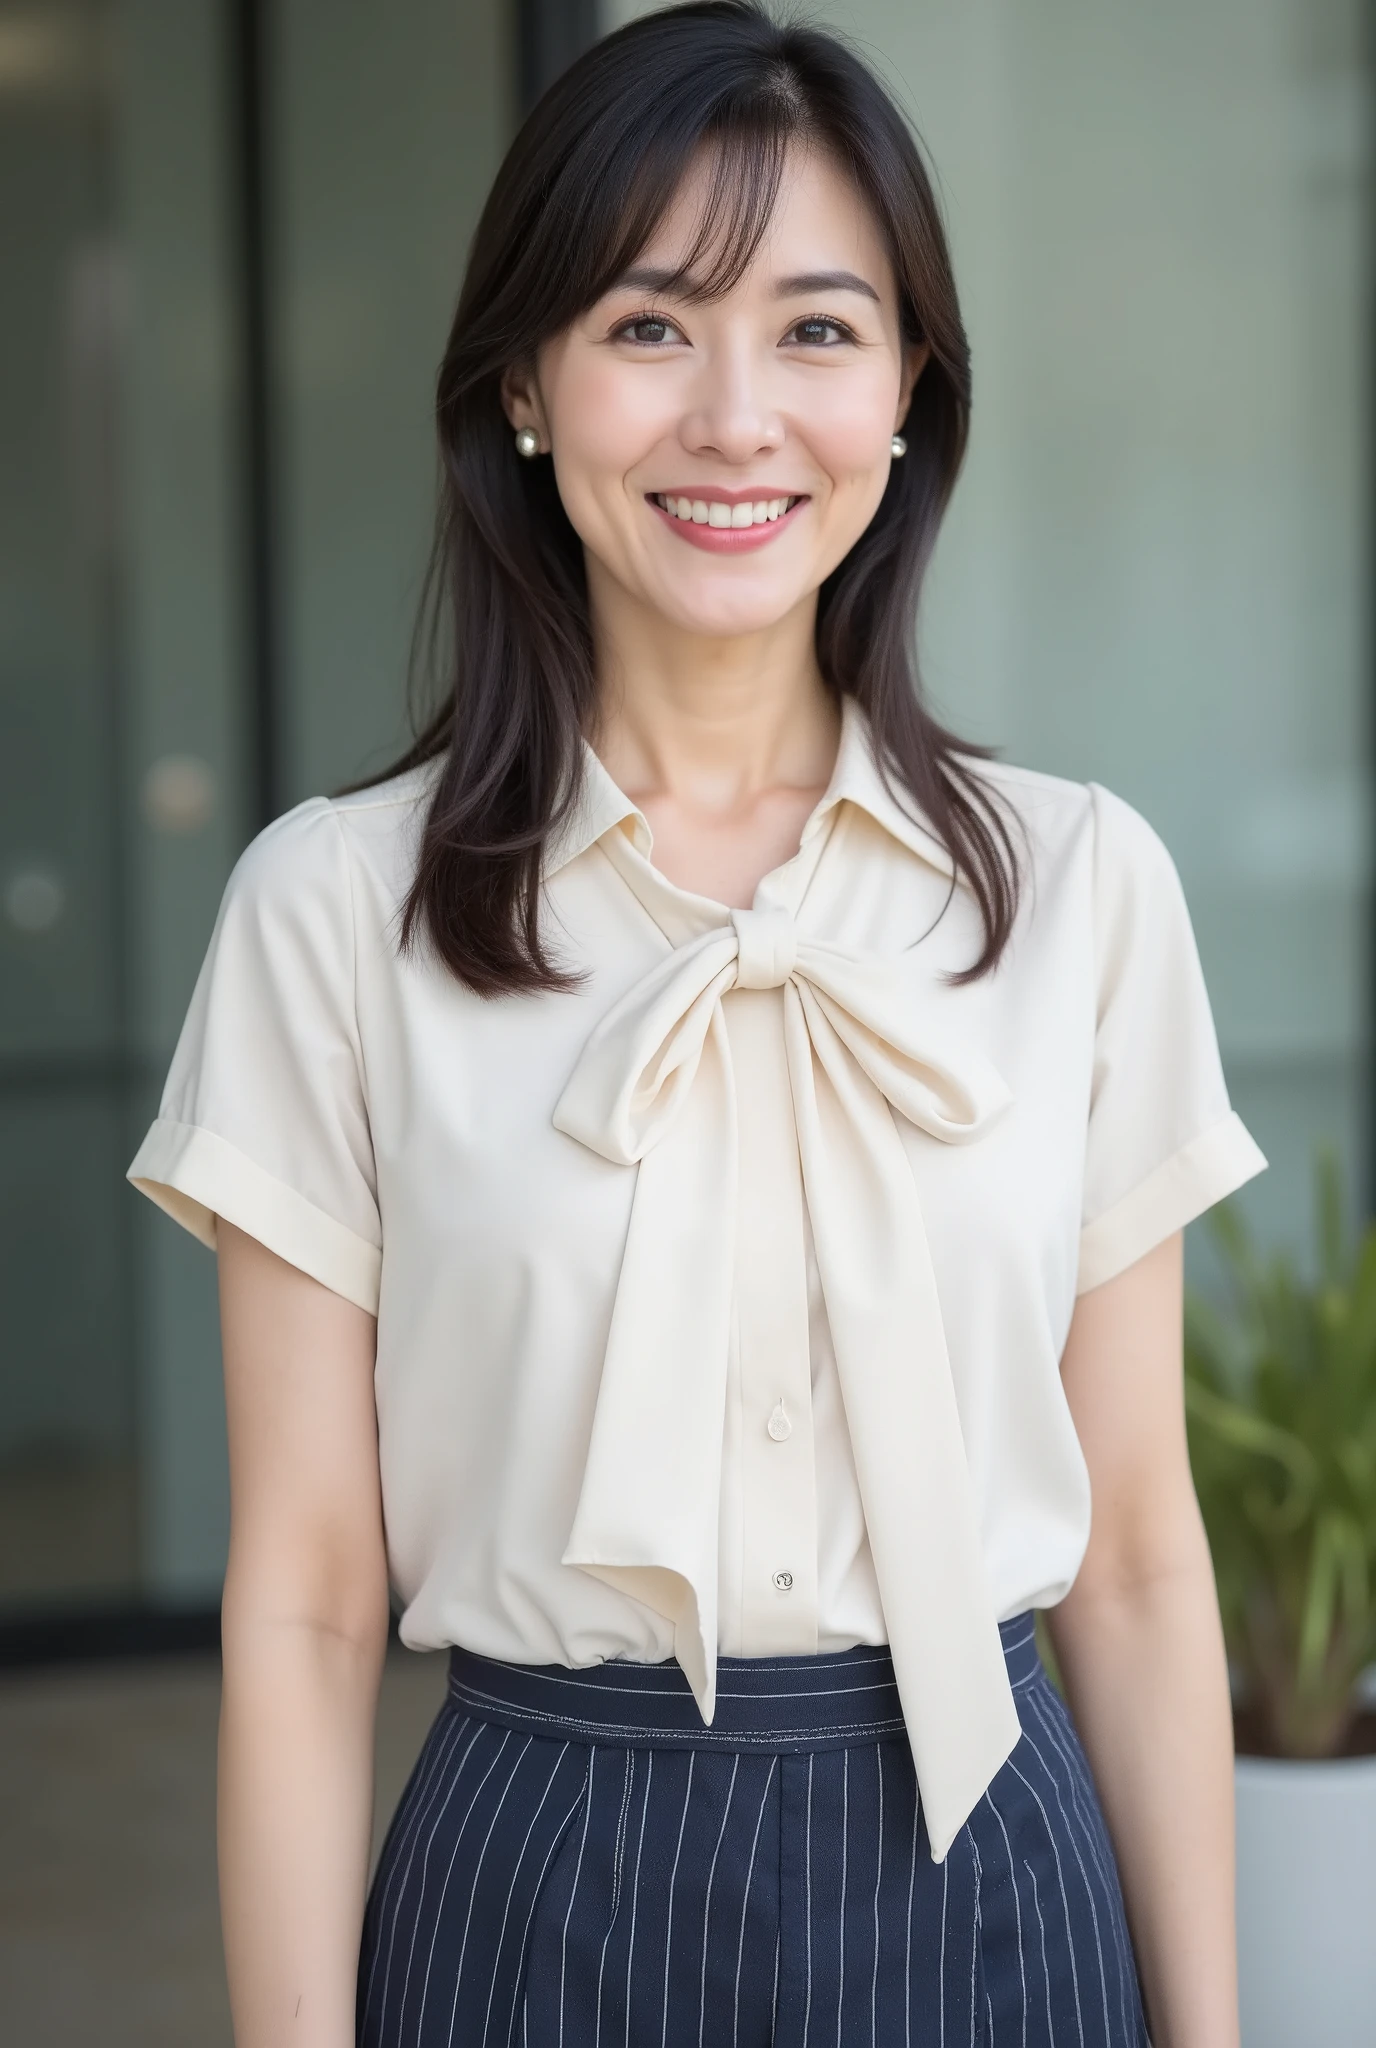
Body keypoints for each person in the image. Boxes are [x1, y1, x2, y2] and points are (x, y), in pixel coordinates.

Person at [127, 4, 1266, 2042]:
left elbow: (1138, 1560)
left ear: (909, 394)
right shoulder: (330, 909)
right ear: (528, 388)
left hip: (987, 1873)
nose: (737, 417)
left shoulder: (1083, 887)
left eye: (819, 330)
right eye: (651, 325)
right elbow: (301, 1600)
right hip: (531, 1875)